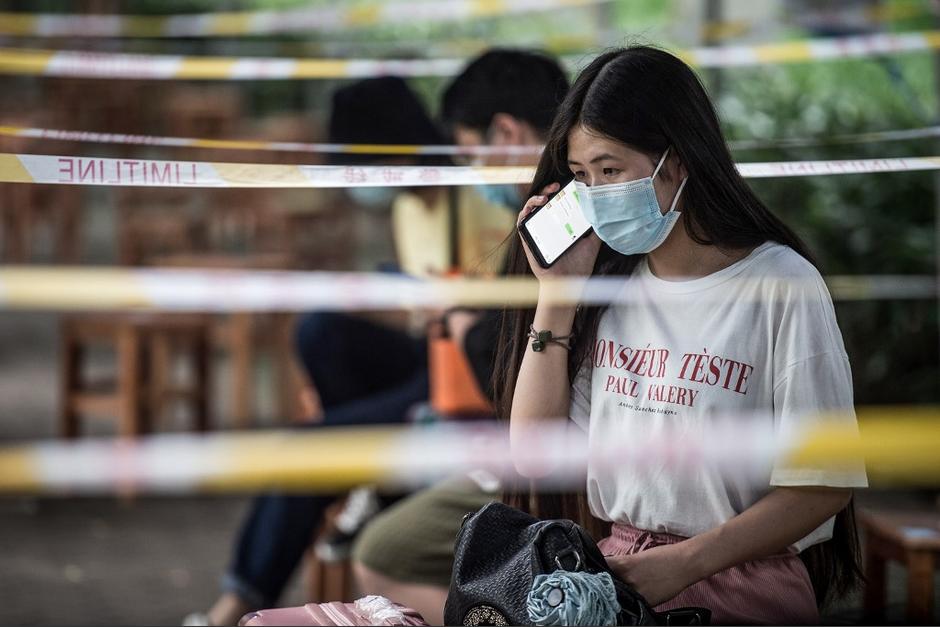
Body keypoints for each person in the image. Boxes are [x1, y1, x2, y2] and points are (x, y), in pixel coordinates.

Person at [499, 45, 869, 624]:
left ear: (678, 161)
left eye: (611, 170)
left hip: (742, 584)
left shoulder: (781, 284)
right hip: (622, 572)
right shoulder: (608, 286)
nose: (596, 194)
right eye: (580, 177)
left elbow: (822, 487)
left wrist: (687, 563)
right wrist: (557, 296)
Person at [187, 76, 510, 626]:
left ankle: (236, 603)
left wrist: (442, 309)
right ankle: (375, 474)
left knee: (307, 450)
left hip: (474, 385)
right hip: (434, 360)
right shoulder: (412, 208)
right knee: (320, 330)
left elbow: (490, 334)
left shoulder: (482, 206)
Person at [350, 49, 569, 626]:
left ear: (507, 131)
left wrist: (465, 321)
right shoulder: (536, 213)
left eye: (473, 154)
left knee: (380, 552)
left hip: (543, 448)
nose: (473, 172)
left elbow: (523, 347)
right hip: (518, 431)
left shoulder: (555, 219)